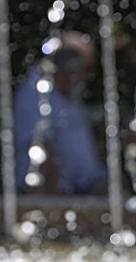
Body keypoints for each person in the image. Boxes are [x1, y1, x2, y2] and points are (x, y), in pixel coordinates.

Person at [12, 31, 107, 195]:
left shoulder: (68, 92)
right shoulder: (37, 92)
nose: (85, 75)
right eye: (84, 68)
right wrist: (56, 206)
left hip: (83, 188)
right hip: (49, 193)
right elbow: (41, 149)